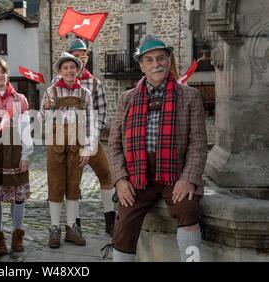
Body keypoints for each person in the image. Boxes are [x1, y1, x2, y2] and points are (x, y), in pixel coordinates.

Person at [107, 35, 208, 262]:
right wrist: (121, 180)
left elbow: (199, 143)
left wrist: (189, 178)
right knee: (123, 223)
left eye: (161, 58)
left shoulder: (189, 96)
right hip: (137, 177)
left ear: (168, 60)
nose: (156, 64)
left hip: (175, 174)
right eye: (149, 60)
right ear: (142, 66)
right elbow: (114, 144)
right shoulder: (127, 99)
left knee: (188, 209)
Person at [51, 38, 116, 235]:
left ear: (86, 59)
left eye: (81, 56)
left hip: (90, 138)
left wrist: (91, 141)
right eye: (75, 56)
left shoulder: (95, 84)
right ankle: (74, 224)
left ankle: (110, 219)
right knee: (73, 182)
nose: (78, 60)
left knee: (106, 175)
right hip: (67, 141)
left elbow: (101, 114)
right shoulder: (56, 82)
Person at [42, 52, 95, 248]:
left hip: (77, 144)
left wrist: (88, 148)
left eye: (72, 67)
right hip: (55, 144)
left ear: (78, 70)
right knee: (55, 185)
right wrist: (46, 108)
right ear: (60, 71)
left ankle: (72, 228)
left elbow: (90, 122)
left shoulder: (85, 94)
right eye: (65, 68)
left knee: (74, 185)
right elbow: (40, 121)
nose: (69, 71)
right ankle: (54, 228)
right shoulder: (51, 92)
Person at [0, 57, 33, 256]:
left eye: (3, 71)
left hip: (14, 148)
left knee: (17, 195)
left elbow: (25, 128)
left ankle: (17, 235)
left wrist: (25, 154)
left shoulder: (19, 99)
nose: (0, 75)